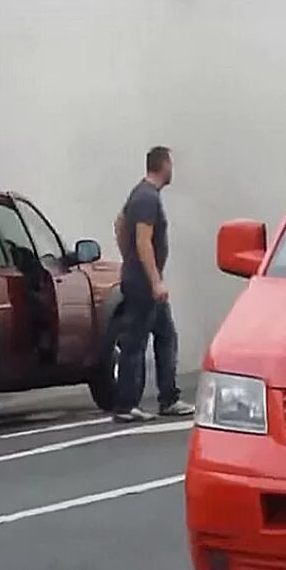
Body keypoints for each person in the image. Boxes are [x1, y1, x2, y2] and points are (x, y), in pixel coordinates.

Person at [112, 146, 195, 422]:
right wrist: (154, 279)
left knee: (165, 335)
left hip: (140, 278)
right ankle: (126, 404)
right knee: (135, 342)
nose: (173, 169)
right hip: (144, 284)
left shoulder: (140, 194)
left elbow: (119, 223)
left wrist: (129, 259)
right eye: (171, 163)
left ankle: (168, 398)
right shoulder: (147, 197)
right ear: (164, 164)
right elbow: (142, 240)